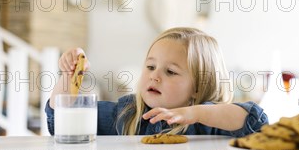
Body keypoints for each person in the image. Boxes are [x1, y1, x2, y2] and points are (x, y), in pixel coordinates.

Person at [46, 27, 268, 136]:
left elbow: (255, 122)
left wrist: (194, 114)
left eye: (170, 72)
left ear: (198, 86)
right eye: (150, 67)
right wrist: (69, 74)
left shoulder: (208, 121)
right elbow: (60, 121)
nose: (154, 76)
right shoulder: (127, 113)